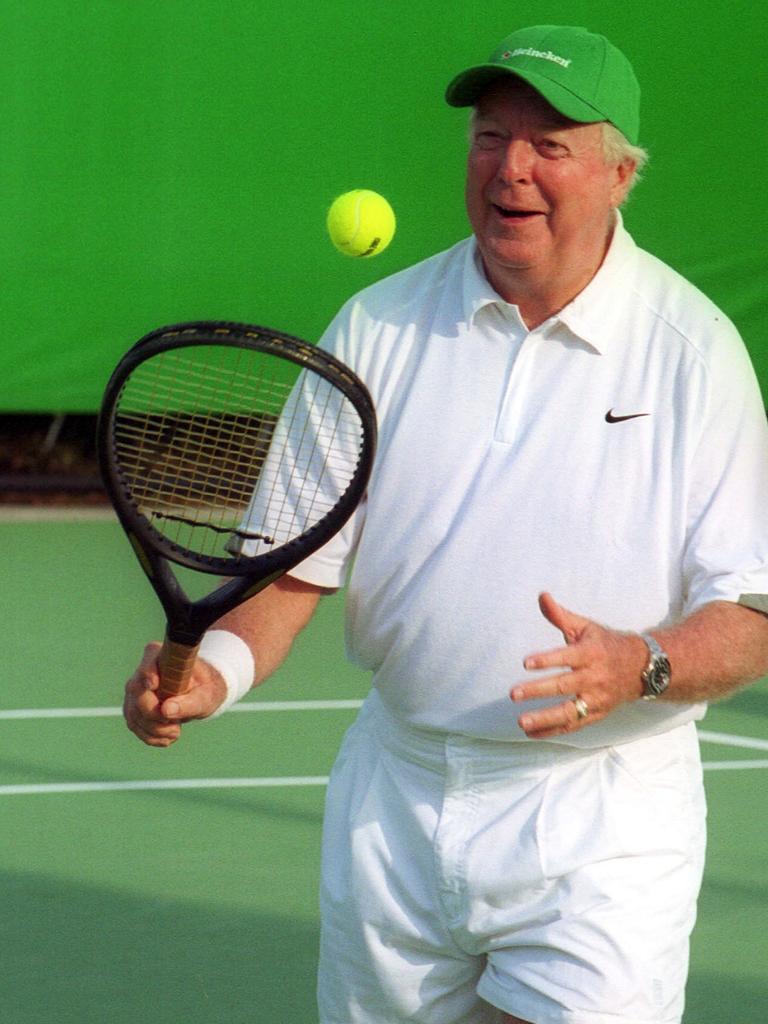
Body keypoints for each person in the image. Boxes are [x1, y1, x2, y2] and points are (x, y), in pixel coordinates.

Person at [124, 24, 768, 1024]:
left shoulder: (695, 354)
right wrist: (215, 672)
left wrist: (640, 661)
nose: (510, 168)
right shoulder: (375, 328)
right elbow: (294, 564)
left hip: (600, 820)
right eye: (489, 136)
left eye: (549, 144)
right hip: (399, 804)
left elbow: (753, 611)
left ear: (618, 174)